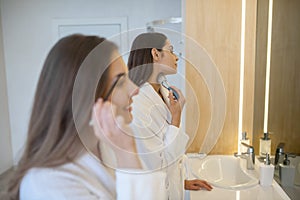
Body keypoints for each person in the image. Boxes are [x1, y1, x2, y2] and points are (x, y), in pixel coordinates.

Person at [7, 34, 167, 200]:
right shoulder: (47, 184)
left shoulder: (102, 148)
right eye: (120, 83)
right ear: (85, 96)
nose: (135, 89)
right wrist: (126, 153)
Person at [127, 32, 213, 199]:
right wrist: (176, 119)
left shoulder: (163, 92)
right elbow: (157, 168)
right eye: (171, 50)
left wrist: (182, 182)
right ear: (155, 53)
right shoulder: (136, 104)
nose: (176, 57)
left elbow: (165, 149)